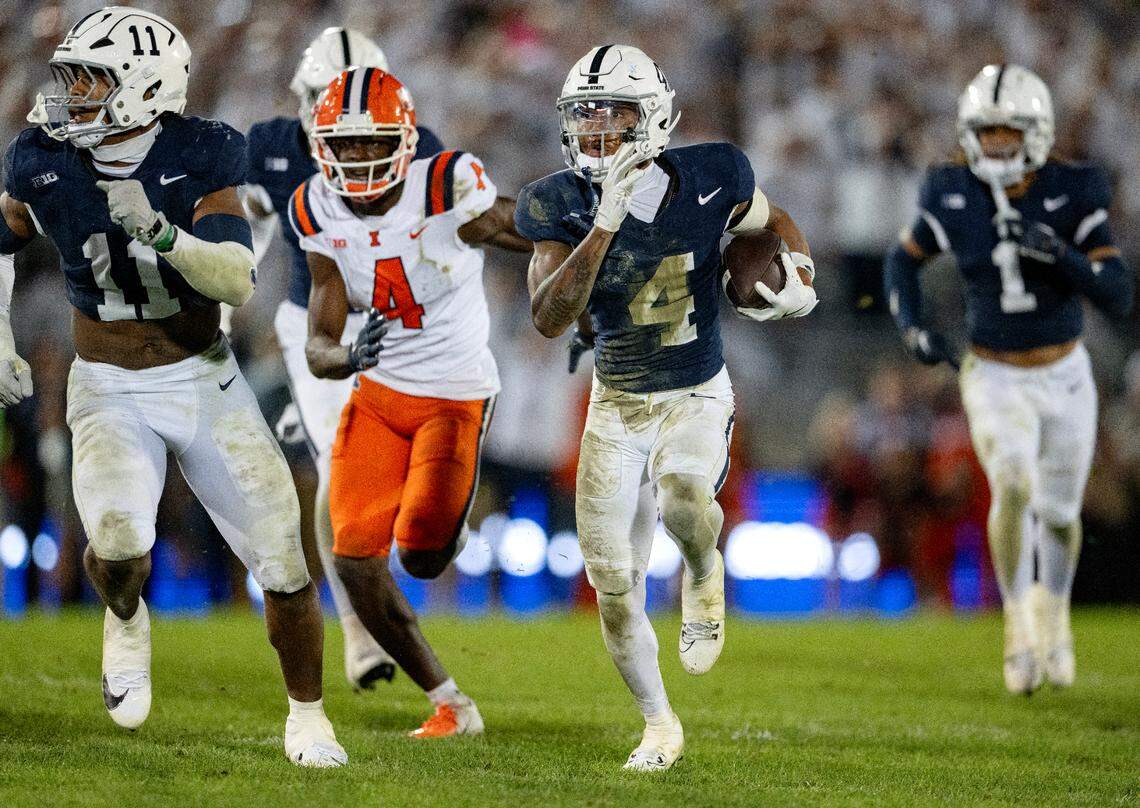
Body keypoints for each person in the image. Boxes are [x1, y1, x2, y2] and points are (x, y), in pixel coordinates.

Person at [0, 7, 345, 766]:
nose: (71, 95)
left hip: (202, 378)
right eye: (70, 78)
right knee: (118, 545)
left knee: (284, 561)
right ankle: (125, 617)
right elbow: (3, 238)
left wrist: (159, 233)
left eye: (91, 80)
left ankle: (308, 716)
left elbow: (234, 278)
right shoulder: (42, 156)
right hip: (106, 383)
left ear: (145, 87)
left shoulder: (202, 150)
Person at [516, 44, 817, 771]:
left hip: (693, 389)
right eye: (584, 115)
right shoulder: (558, 202)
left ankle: (704, 573)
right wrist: (604, 225)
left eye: (612, 114)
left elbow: (773, 222)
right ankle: (658, 724)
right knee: (613, 588)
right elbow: (549, 316)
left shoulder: (711, 175)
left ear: (651, 118)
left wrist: (801, 275)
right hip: (616, 403)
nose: (595, 130)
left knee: (684, 495)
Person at [884, 64, 1133, 694]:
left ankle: (1054, 614)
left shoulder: (1073, 189)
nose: (995, 144)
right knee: (1013, 485)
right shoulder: (951, 191)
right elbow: (901, 260)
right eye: (986, 132)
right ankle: (1018, 621)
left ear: (1036, 133)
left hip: (1065, 371)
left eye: (1008, 132)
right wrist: (912, 327)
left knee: (1060, 516)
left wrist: (1057, 252)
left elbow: (1118, 291)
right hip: (992, 370)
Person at [296, 67, 530, 737]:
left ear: (403, 141)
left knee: (423, 556)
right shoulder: (314, 208)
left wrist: (583, 249)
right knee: (353, 560)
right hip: (377, 395)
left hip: (454, 396)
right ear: (322, 146)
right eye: (345, 143)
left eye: (372, 141)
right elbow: (318, 342)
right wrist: (347, 357)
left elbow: (524, 227)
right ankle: (452, 703)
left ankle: (444, 522)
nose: (358, 156)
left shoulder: (443, 184)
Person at [244, 26, 445, 692]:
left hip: (396, 321)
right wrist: (231, 286)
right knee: (339, 466)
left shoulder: (420, 151)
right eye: (319, 98)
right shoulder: (273, 148)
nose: (329, 117)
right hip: (315, 321)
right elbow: (247, 219)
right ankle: (358, 628)